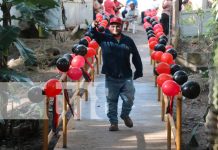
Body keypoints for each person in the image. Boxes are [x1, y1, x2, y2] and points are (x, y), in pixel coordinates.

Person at [90, 17, 143, 131]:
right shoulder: (103, 38)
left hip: (126, 76)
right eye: (113, 26)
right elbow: (93, 33)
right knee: (111, 101)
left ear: (121, 26)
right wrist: (93, 26)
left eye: (117, 26)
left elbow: (136, 55)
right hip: (111, 77)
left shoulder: (128, 40)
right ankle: (113, 122)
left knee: (129, 99)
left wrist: (139, 70)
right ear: (109, 27)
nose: (115, 28)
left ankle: (125, 115)